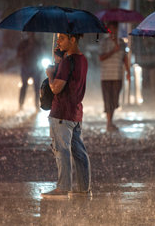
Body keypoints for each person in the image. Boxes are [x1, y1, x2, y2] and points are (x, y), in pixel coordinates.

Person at [41, 33, 91, 199]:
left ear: (73, 39)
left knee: (61, 151)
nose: (58, 41)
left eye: (62, 38)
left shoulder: (67, 62)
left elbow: (56, 88)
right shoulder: (82, 60)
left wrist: (50, 74)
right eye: (58, 38)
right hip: (75, 113)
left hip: (61, 113)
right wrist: (58, 61)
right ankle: (84, 188)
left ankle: (63, 188)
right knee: (79, 152)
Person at [99, 21, 131, 132]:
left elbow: (125, 58)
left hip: (117, 76)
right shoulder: (104, 42)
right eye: (110, 29)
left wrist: (128, 72)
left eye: (114, 28)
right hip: (106, 76)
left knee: (114, 100)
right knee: (107, 100)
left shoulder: (122, 42)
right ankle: (109, 123)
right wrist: (113, 50)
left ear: (117, 29)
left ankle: (110, 121)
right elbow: (101, 57)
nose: (112, 31)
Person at [17, 33, 43, 111]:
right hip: (25, 67)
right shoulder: (23, 43)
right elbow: (18, 55)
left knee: (37, 87)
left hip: (35, 67)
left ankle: (36, 105)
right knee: (24, 86)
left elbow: (41, 54)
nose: (31, 35)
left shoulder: (38, 44)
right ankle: (21, 104)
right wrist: (27, 49)